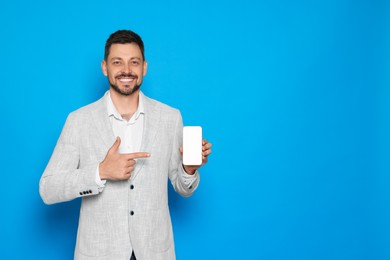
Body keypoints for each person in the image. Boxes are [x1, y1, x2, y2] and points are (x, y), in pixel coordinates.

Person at [39, 29, 212, 260]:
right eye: (117, 62)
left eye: (134, 62)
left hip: (154, 252)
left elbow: (183, 187)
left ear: (144, 68)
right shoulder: (79, 120)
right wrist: (100, 172)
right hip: (99, 253)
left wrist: (189, 169)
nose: (127, 70)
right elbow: (48, 189)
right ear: (104, 67)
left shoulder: (170, 118)